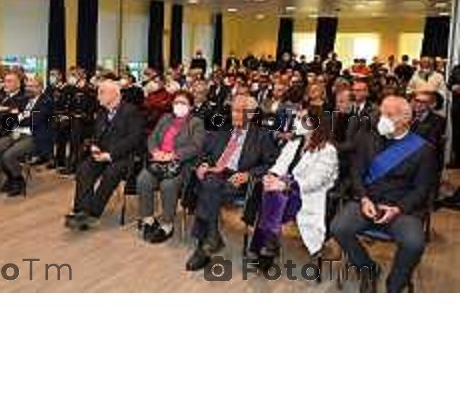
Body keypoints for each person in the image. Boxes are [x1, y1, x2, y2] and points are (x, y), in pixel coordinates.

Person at [331, 96, 438, 292]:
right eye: (381, 113)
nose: (382, 119)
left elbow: (422, 189)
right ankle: (368, 268)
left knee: (414, 244)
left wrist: (398, 208)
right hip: (368, 201)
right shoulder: (367, 138)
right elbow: (357, 172)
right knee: (339, 227)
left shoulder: (424, 150)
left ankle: (394, 286)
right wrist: (363, 198)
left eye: (389, 115)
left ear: (406, 118)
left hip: (402, 209)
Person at [185, 95, 278, 271]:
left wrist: (249, 175)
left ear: (250, 114)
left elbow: (270, 163)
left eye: (238, 111)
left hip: (239, 178)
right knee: (210, 183)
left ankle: (206, 242)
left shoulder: (262, 135)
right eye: (233, 110)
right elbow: (204, 152)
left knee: (208, 187)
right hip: (218, 172)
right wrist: (203, 163)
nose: (234, 115)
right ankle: (210, 238)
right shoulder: (222, 128)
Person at [249, 106, 338, 263]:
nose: (296, 122)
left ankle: (266, 245)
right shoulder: (295, 143)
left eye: (301, 119)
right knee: (268, 189)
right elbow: (280, 164)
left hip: (305, 193)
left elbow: (315, 182)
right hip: (286, 188)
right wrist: (271, 176)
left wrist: (285, 185)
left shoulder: (327, 150)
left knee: (273, 194)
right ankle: (269, 244)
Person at [65, 79, 145, 231]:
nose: (98, 96)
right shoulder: (102, 112)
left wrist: (110, 155)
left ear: (114, 94)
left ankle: (92, 213)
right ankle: (81, 211)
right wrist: (95, 146)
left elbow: (134, 140)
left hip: (123, 157)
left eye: (101, 93)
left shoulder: (131, 111)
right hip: (102, 153)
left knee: (110, 173)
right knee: (84, 169)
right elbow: (97, 133)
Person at [137, 90, 205, 243]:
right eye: (176, 103)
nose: (179, 106)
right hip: (158, 162)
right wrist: (155, 151)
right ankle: (148, 219)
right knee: (143, 179)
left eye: (183, 103)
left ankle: (167, 224)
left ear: (191, 107)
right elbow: (152, 137)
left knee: (168, 185)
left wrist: (173, 155)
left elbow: (196, 146)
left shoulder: (196, 123)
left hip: (180, 165)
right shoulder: (165, 118)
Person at [0, 76, 53, 196]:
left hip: (33, 136)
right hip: (14, 133)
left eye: (32, 87)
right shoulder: (24, 99)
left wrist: (16, 116)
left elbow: (33, 121)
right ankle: (12, 176)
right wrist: (13, 113)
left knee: (8, 156)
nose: (28, 89)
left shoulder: (46, 101)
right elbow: (5, 111)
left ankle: (18, 181)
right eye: (27, 86)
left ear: (40, 88)